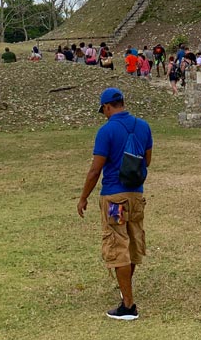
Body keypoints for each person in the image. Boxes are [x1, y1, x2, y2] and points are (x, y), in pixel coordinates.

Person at [77, 88, 153, 321]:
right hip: (135, 195)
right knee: (132, 243)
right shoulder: (143, 126)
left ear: (107, 107)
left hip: (114, 197)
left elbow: (95, 170)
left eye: (104, 111)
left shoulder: (106, 130)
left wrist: (83, 197)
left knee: (117, 244)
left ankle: (128, 306)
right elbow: (147, 160)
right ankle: (125, 288)